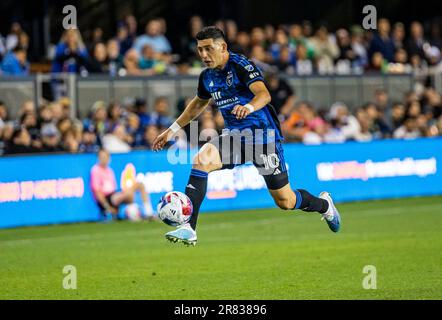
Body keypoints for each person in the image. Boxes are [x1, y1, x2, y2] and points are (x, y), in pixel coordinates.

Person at [153, 26, 341, 246]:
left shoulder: (241, 65)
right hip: (234, 137)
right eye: (199, 50)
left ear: (222, 46)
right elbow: (198, 105)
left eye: (207, 49)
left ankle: (324, 205)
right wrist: (171, 130)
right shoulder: (207, 77)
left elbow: (264, 94)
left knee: (285, 201)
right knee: (201, 160)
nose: (203, 55)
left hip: (263, 139)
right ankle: (189, 227)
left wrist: (249, 107)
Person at [90, 149, 156, 220]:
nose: (104, 159)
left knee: (137, 188)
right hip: (107, 199)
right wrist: (107, 207)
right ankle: (140, 212)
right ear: (98, 158)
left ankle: (145, 213)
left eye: (106, 157)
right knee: (132, 192)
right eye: (102, 157)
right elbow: (97, 192)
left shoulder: (109, 170)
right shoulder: (95, 170)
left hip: (113, 195)